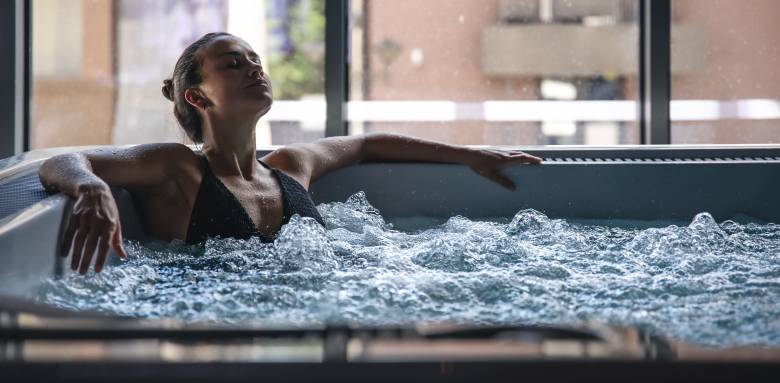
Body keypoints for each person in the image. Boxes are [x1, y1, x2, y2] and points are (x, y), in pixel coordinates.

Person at [38, 32, 542, 275]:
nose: (255, 69)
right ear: (197, 96)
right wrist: (90, 187)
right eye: (233, 64)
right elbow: (60, 162)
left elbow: (366, 145)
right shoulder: (179, 169)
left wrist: (468, 155)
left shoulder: (289, 167)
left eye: (256, 60)